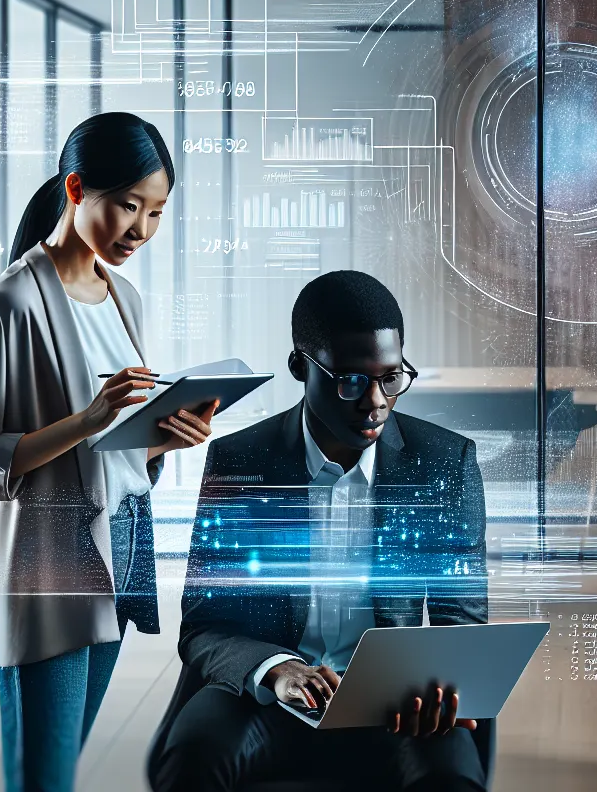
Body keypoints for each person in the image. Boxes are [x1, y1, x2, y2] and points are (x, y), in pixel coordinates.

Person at [0, 112, 216, 792]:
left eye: (156, 213)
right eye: (129, 206)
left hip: (121, 543)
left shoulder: (124, 297)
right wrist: (89, 416)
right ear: (75, 188)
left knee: (61, 764)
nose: (141, 231)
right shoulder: (9, 303)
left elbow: (114, 453)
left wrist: (161, 439)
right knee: (44, 779)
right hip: (47, 559)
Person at [149, 270, 490, 792]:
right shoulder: (241, 460)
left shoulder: (444, 463)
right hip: (267, 699)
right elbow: (203, 626)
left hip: (394, 706)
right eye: (351, 380)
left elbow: (459, 620)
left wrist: (440, 686)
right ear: (298, 367)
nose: (375, 399)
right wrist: (278, 669)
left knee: (450, 776)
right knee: (194, 761)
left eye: (391, 377)